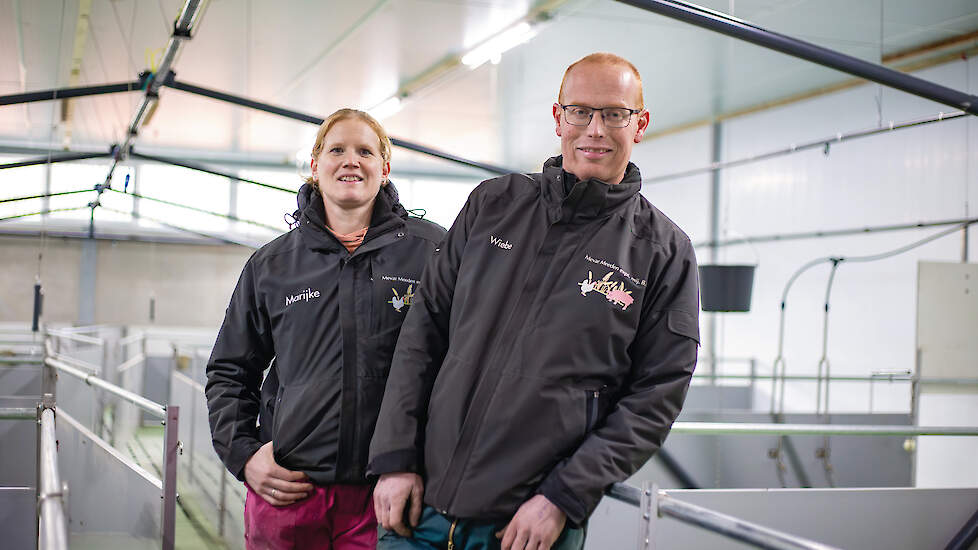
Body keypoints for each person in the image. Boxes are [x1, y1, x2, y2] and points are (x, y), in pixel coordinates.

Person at [367, 53, 700, 550]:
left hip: (527, 527)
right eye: (580, 111)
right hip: (421, 514)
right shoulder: (493, 205)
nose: (595, 129)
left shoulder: (663, 252)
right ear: (557, 117)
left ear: (640, 124)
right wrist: (394, 457)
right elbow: (423, 333)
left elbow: (656, 396)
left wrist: (564, 497)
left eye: (614, 114)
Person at [205, 108, 446, 550]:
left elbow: (460, 362)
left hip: (389, 492)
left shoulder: (431, 252)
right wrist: (244, 455)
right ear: (315, 166)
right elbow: (229, 370)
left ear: (385, 168)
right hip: (290, 491)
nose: (350, 160)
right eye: (337, 150)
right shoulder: (273, 265)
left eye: (365, 151)